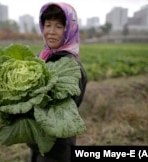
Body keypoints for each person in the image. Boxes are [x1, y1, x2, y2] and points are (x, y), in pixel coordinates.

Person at [27, 2, 87, 162]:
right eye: (48, 25)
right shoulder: (42, 56)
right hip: (37, 142)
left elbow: (59, 110)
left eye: (59, 27)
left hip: (56, 147)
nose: (51, 32)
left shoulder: (71, 65)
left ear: (69, 30)